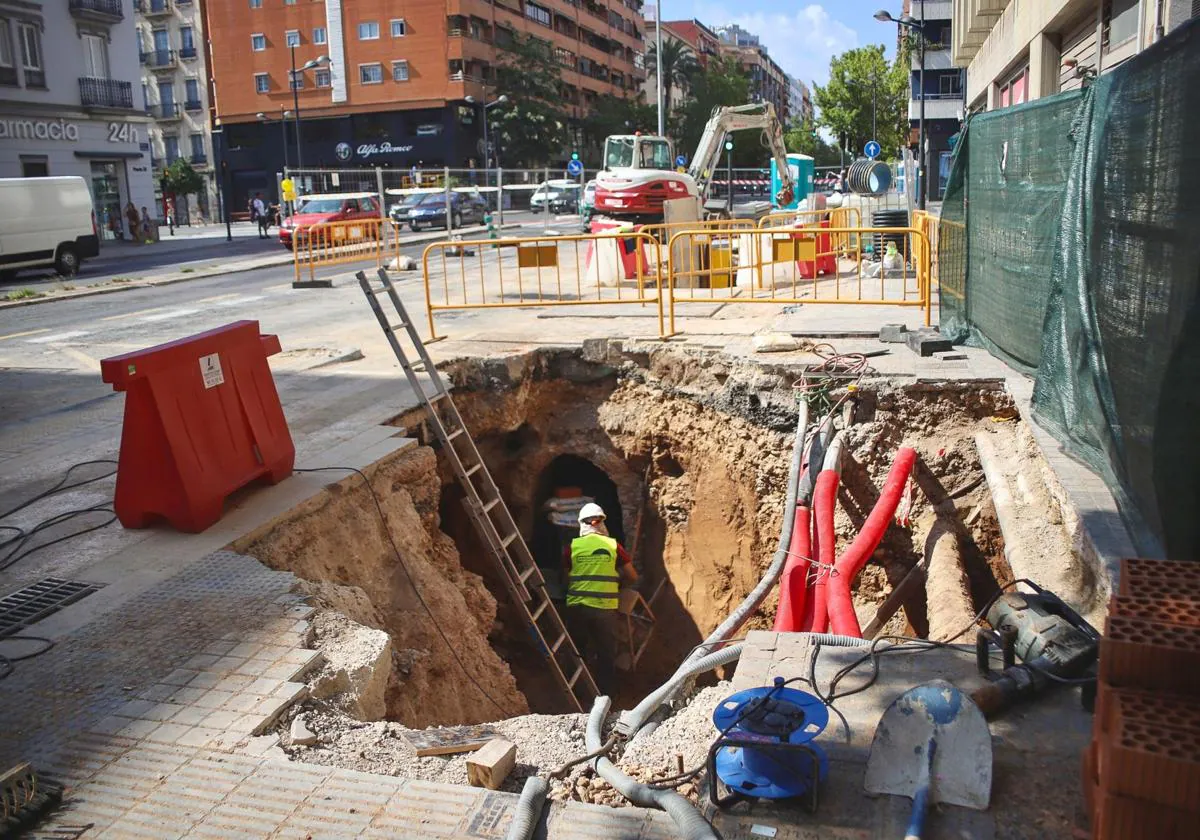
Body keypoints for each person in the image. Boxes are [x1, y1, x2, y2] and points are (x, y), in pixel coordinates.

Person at [561, 502, 638, 695]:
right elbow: (633, 576)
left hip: (577, 607)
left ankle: (575, 692)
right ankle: (606, 696)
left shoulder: (572, 547)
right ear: (602, 522)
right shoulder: (613, 546)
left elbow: (565, 577)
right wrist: (616, 582)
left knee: (577, 650)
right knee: (606, 653)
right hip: (604, 609)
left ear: (581, 523)